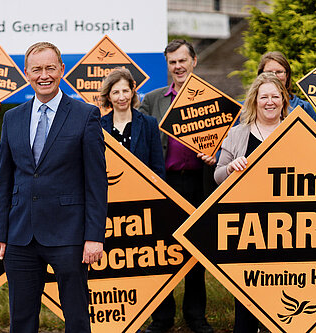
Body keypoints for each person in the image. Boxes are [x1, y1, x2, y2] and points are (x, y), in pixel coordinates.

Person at [0, 42, 107, 333]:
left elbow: (96, 183)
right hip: (20, 237)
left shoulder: (85, 115)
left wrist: (94, 236)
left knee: (77, 318)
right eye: (37, 69)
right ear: (26, 73)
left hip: (69, 235)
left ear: (61, 70)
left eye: (50, 68)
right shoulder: (13, 117)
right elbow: (4, 181)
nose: (44, 75)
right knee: (21, 320)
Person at [139, 40, 215, 333]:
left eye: (183, 60)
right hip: (164, 185)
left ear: (194, 61)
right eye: (172, 62)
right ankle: (162, 318)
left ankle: (196, 316)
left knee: (195, 250)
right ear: (167, 66)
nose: (178, 67)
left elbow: (226, 145)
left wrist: (215, 155)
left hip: (199, 184)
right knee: (162, 251)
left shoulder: (211, 100)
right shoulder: (153, 100)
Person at [214, 72, 288, 332]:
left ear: (283, 99)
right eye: (264, 96)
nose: (270, 102)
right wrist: (230, 168)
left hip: (287, 229)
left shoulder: (296, 132)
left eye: (275, 96)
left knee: (283, 294)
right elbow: (217, 176)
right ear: (254, 100)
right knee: (246, 294)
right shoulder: (237, 134)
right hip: (248, 228)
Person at [100, 67, 165, 179]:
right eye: (116, 92)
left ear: (132, 92)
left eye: (125, 91)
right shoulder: (99, 126)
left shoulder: (149, 124)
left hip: (144, 193)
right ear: (108, 97)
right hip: (110, 192)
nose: (121, 97)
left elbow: (158, 169)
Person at [257, 51, 316, 120]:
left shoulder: (303, 107)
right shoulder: (245, 108)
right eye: (268, 72)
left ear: (287, 75)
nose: (274, 76)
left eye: (279, 72)